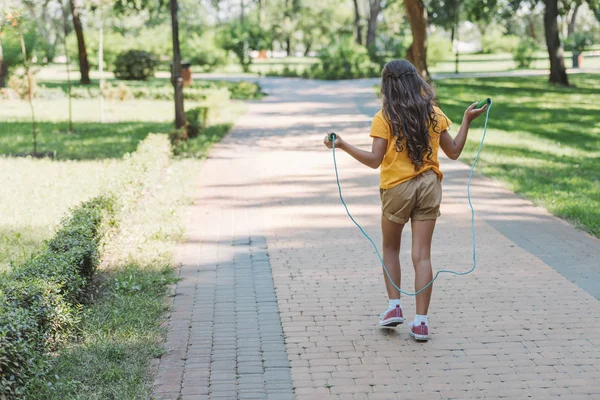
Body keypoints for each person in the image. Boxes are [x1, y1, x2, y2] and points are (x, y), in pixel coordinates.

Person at [323, 59, 487, 341]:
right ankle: (421, 322)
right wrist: (467, 120)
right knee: (422, 254)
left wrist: (343, 144)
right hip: (429, 186)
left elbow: (375, 161)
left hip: (397, 189)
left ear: (387, 86)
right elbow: (455, 152)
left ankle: (394, 306)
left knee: (390, 247)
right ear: (416, 81)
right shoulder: (434, 114)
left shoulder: (384, 118)